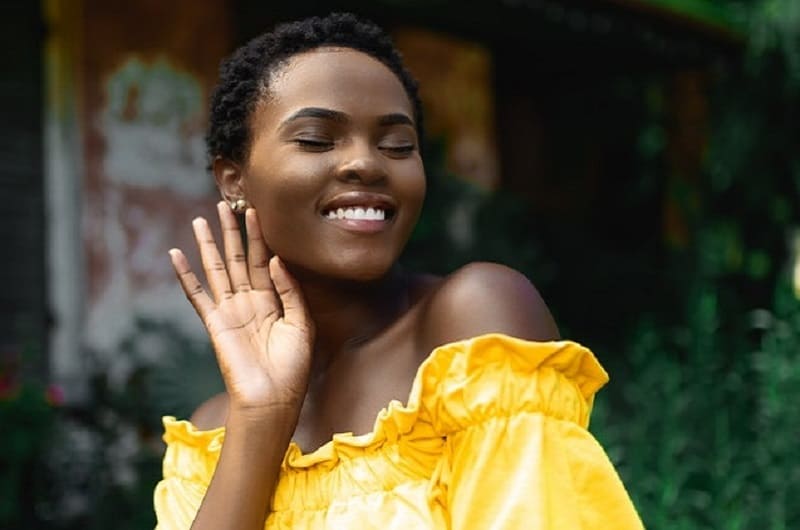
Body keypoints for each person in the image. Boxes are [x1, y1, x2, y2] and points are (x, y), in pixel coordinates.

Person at [154, 12, 643, 530]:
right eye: (318, 139)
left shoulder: (472, 332)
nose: (367, 163)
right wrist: (261, 418)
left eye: (397, 146)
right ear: (234, 180)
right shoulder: (209, 439)